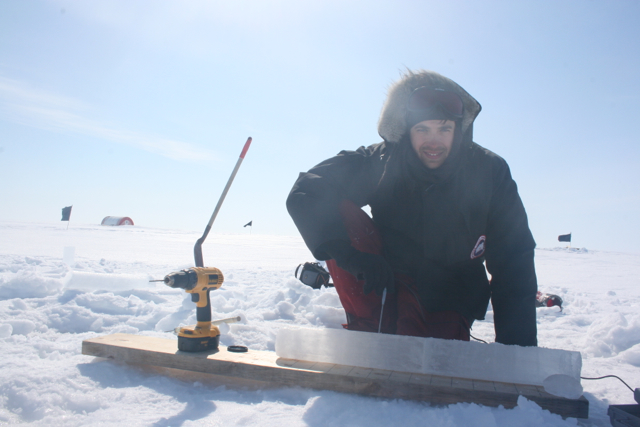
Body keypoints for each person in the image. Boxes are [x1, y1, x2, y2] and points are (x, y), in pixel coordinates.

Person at [286, 70, 537, 347]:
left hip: (451, 291)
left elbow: (514, 259)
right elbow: (308, 189)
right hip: (386, 280)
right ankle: (368, 326)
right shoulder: (381, 160)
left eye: (444, 129)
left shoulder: (489, 172)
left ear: (459, 131)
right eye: (422, 129)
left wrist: (518, 354)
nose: (434, 141)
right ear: (406, 130)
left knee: (433, 360)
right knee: (342, 210)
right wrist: (349, 255)